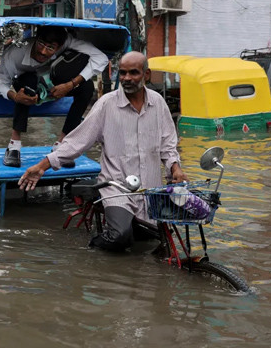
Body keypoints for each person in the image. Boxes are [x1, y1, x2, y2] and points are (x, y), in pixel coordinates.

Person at [18, 51, 188, 252]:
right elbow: (77, 142)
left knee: (155, 243)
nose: (126, 78)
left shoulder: (158, 103)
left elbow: (168, 145)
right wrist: (41, 166)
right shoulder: (107, 104)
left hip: (149, 189)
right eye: (122, 73)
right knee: (120, 237)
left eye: (133, 73)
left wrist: (175, 169)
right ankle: (92, 251)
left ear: (147, 75)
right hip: (116, 187)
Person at [0, 26, 109, 168]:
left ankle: (62, 145)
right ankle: (14, 145)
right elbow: (1, 82)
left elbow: (101, 58)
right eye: (41, 44)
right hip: (27, 88)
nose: (43, 51)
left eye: (50, 48)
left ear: (60, 46)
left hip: (53, 85)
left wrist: (70, 84)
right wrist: (14, 96)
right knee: (28, 82)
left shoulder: (67, 42)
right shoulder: (14, 53)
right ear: (36, 39)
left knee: (87, 88)